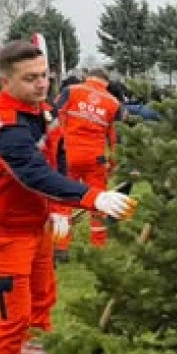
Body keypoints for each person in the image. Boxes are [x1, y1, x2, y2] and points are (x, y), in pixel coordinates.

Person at [0, 42, 134, 354]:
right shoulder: (6, 127)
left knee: (42, 304)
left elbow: (56, 160)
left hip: (34, 226)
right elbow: (33, 175)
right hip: (3, 233)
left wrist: (59, 211)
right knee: (13, 318)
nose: (42, 84)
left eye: (45, 76)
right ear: (5, 80)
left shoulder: (42, 113)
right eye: (30, 78)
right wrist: (92, 197)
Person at [53, 68, 124, 251]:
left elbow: (54, 116)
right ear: (106, 83)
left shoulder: (71, 91)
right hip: (96, 159)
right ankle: (98, 244)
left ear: (87, 78)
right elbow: (115, 138)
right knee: (98, 201)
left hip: (68, 155)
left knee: (63, 200)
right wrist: (114, 164)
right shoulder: (113, 103)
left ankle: (61, 246)